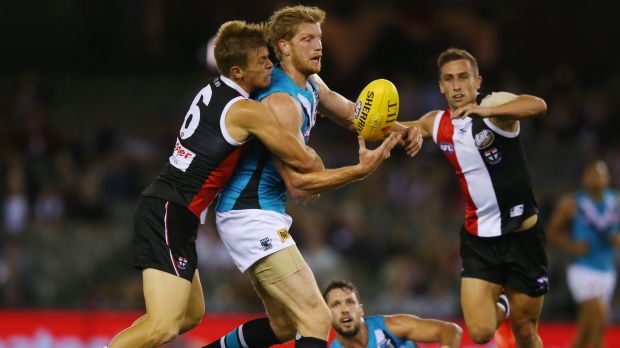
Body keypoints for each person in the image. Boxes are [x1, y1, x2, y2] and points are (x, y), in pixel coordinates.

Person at [203, 5, 421, 348]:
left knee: (284, 325)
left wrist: (403, 128)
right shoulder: (280, 101)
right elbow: (299, 183)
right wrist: (360, 171)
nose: (319, 46)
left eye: (319, 38)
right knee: (317, 317)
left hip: (258, 212)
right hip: (249, 214)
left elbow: (352, 115)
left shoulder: (308, 82)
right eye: (307, 39)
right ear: (284, 47)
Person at [106, 20, 330, 348]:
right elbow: (304, 159)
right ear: (238, 71)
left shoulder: (216, 89)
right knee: (163, 326)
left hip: (174, 211)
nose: (270, 64)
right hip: (170, 211)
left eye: (269, 57)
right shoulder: (245, 110)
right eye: (261, 61)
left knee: (190, 316)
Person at [401, 48, 548, 348]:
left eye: (463, 77)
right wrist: (362, 122)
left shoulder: (494, 106)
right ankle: (505, 303)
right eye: (449, 79)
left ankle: (511, 310)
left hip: (522, 237)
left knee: (524, 332)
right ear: (440, 86)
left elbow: (538, 105)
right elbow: (399, 130)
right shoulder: (436, 123)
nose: (456, 86)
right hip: (479, 239)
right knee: (480, 333)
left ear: (477, 81)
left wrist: (488, 111)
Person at [547, 160, 620, 348]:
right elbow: (551, 232)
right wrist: (572, 246)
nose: (595, 177)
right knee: (601, 318)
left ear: (607, 178)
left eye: (600, 173)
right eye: (591, 173)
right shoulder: (572, 203)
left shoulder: (616, 202)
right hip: (582, 269)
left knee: (586, 332)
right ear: (584, 178)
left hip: (607, 270)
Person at [323, 279, 463, 348]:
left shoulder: (390, 327)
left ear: (361, 310)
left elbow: (451, 330)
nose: (344, 309)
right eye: (336, 304)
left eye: (349, 302)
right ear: (327, 315)